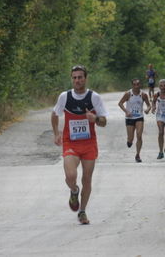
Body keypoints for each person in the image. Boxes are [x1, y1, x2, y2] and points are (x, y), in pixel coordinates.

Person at [51, 65, 108, 225]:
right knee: (70, 176)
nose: (77, 80)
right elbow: (55, 114)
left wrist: (95, 119)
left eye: (80, 77)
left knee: (87, 179)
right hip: (71, 143)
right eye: (74, 77)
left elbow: (104, 122)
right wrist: (56, 133)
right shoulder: (65, 96)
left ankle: (82, 211)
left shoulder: (94, 97)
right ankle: (74, 190)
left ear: (85, 78)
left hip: (89, 144)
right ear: (72, 79)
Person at [118, 78, 151, 162]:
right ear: (132, 85)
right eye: (135, 84)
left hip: (139, 117)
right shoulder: (128, 94)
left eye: (138, 84)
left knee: (139, 135)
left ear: (140, 85)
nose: (136, 86)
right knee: (130, 138)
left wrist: (147, 109)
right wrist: (126, 111)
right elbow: (120, 103)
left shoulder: (143, 95)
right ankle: (129, 141)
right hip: (129, 118)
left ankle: (138, 155)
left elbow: (149, 105)